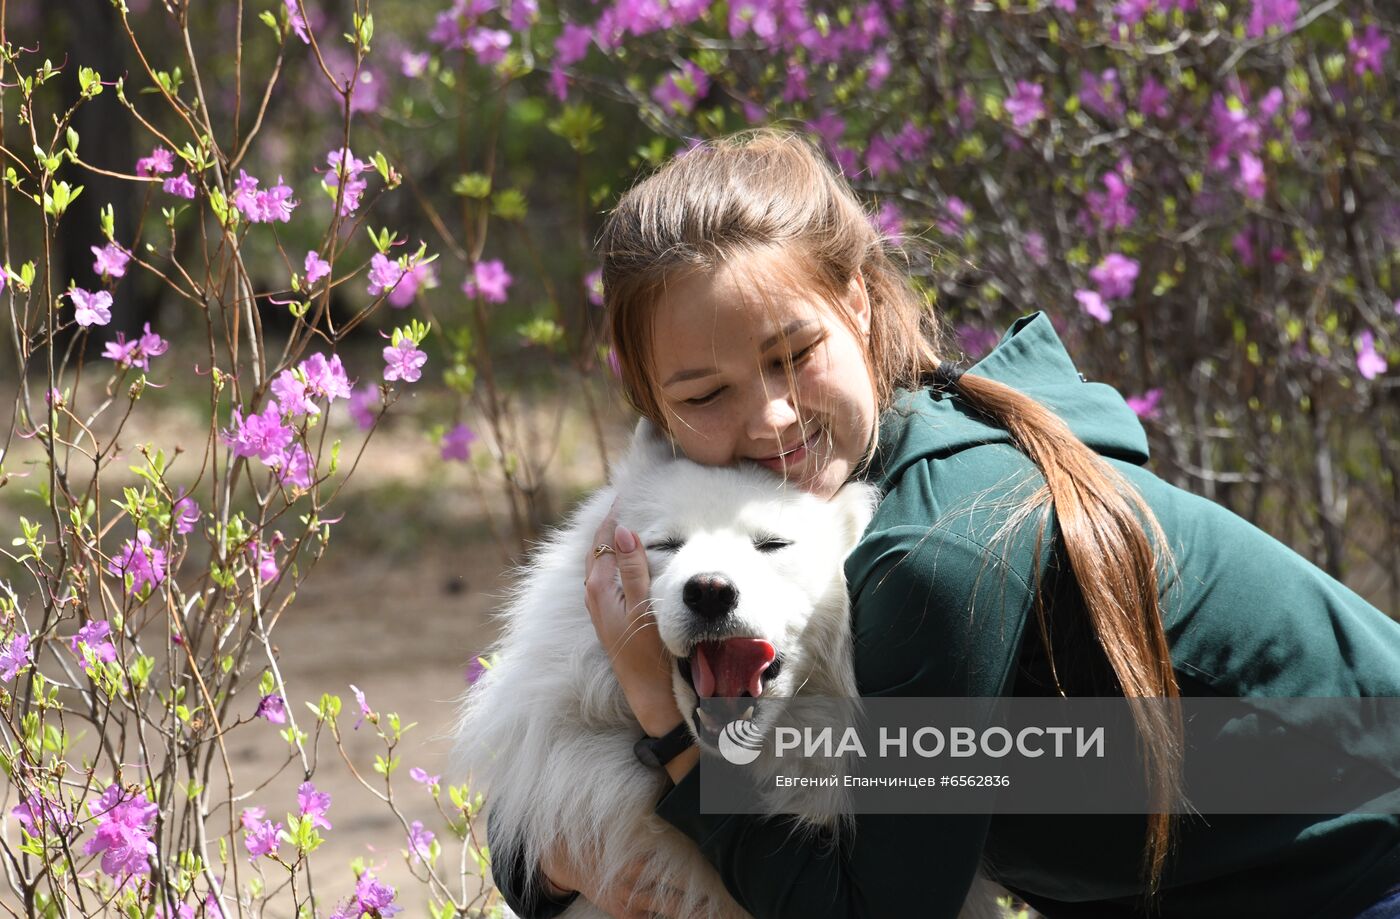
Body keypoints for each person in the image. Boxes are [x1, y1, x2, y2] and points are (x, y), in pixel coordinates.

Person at [487, 129, 1400, 918]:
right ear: (655, 409)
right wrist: (541, 857)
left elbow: (868, 905)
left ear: (856, 301)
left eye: (792, 356)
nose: (767, 418)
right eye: (707, 392)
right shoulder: (816, 478)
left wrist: (665, 719)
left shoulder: (935, 551)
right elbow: (563, 753)